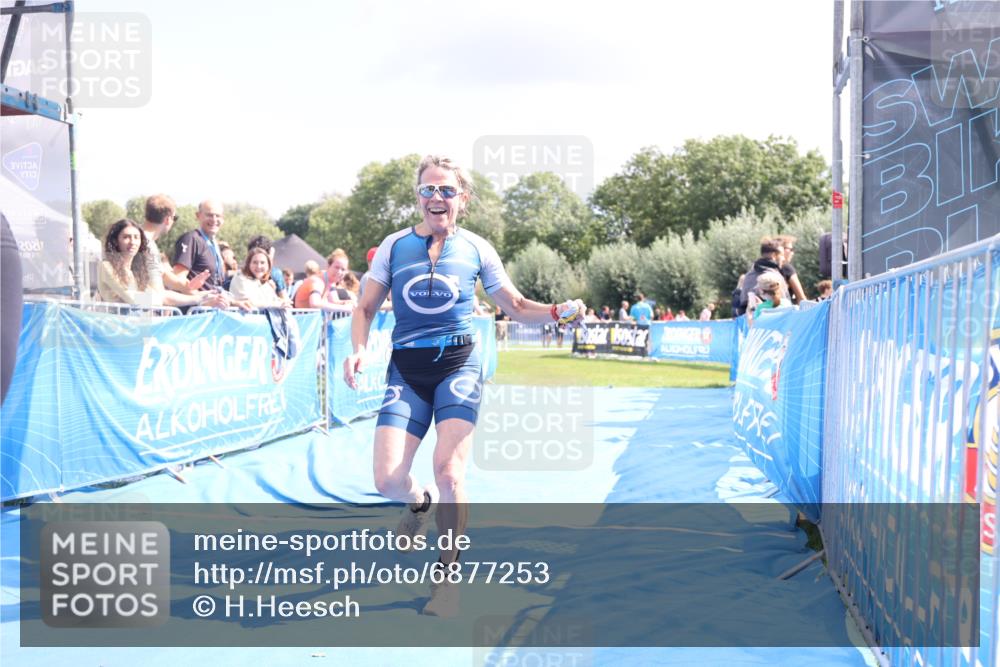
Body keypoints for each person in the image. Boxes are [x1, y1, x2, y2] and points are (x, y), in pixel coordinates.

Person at [343, 155, 585, 617]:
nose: (437, 198)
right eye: (428, 190)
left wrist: (556, 311)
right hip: (408, 369)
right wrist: (358, 348)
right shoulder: (394, 246)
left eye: (447, 190)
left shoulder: (477, 248)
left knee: (450, 471)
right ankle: (418, 504)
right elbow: (365, 308)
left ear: (462, 198)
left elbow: (513, 305)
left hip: (459, 364)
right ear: (417, 196)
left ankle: (448, 576)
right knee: (388, 479)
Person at [141, 194, 223, 309]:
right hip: (136, 317)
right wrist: (199, 298)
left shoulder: (145, 242)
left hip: (137, 314)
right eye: (175, 218)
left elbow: (164, 276)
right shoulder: (142, 243)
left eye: (218, 216)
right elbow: (159, 295)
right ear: (168, 219)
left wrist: (190, 287)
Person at [98, 219, 161, 305]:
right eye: (126, 237)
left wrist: (154, 299)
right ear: (116, 241)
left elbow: (158, 299)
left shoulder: (136, 272)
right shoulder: (106, 266)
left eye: (136, 237)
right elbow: (133, 299)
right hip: (113, 318)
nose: (132, 242)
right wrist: (152, 299)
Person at [733, 239, 790, 316]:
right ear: (774, 255)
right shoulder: (775, 276)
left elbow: (743, 307)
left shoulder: (749, 275)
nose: (783, 259)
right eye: (781, 255)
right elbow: (786, 307)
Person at [774, 234, 807, 305]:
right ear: (781, 249)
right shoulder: (786, 268)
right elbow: (801, 299)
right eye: (790, 249)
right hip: (784, 311)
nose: (792, 253)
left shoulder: (761, 267)